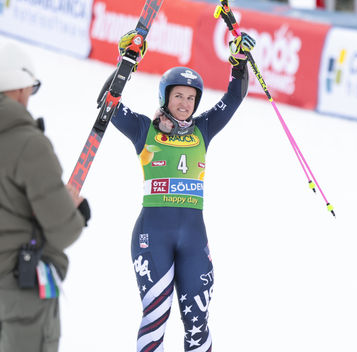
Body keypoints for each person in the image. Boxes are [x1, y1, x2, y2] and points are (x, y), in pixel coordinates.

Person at [105, 30, 255, 351]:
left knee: (198, 323)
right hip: (152, 236)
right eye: (178, 96)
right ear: (165, 97)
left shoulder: (203, 129)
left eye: (191, 98)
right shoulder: (143, 129)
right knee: (155, 318)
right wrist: (125, 63)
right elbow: (108, 104)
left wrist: (239, 62)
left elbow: (233, 98)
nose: (185, 104)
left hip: (193, 239)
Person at [0, 41, 90, 352]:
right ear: (19, 87)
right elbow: (63, 230)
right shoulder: (29, 144)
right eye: (31, 88)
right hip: (19, 295)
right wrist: (75, 212)